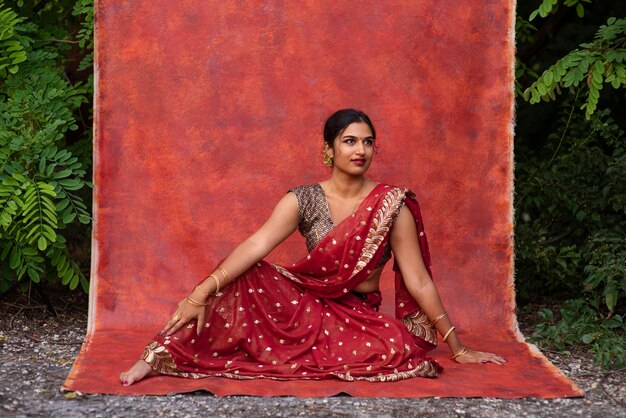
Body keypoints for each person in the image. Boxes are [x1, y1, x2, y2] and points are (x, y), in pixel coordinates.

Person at [120, 109, 505, 386]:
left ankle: (303, 349)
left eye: (368, 142)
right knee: (241, 276)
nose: (360, 150)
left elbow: (418, 281)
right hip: (306, 306)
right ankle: (155, 356)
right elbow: (257, 244)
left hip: (357, 317)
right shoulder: (303, 199)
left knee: (393, 352)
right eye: (349, 141)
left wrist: (457, 347)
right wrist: (199, 292)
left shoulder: (391, 205)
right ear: (329, 149)